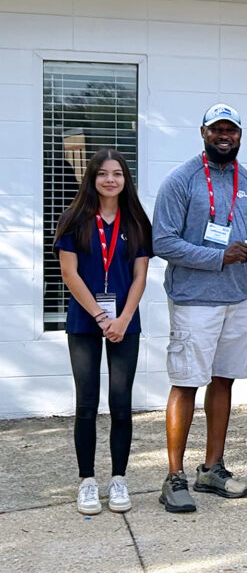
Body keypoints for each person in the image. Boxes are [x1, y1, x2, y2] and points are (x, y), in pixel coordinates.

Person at [152, 104, 247, 513]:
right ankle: (174, 477)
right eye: (216, 129)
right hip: (195, 301)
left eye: (230, 129)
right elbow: (162, 241)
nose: (224, 135)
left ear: (240, 135)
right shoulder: (180, 180)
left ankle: (212, 469)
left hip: (239, 300)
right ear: (203, 132)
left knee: (224, 381)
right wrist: (219, 257)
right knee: (186, 382)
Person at [55, 149, 151, 515]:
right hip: (85, 322)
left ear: (126, 180)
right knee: (86, 404)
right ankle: (87, 482)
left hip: (125, 322)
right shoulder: (74, 219)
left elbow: (140, 276)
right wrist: (99, 316)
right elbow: (69, 273)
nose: (110, 180)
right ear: (92, 178)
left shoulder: (136, 221)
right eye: (102, 174)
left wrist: (123, 319)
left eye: (117, 174)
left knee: (121, 404)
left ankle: (119, 480)